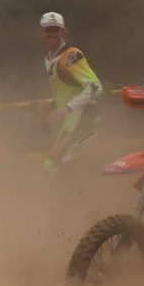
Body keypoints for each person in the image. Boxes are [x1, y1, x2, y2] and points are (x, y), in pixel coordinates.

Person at [37, 12, 101, 174]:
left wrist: (66, 109)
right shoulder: (49, 58)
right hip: (71, 120)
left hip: (84, 117)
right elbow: (72, 90)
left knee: (57, 166)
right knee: (55, 166)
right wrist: (52, 104)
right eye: (47, 29)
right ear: (42, 33)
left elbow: (95, 86)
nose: (51, 34)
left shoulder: (71, 55)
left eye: (55, 29)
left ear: (63, 32)